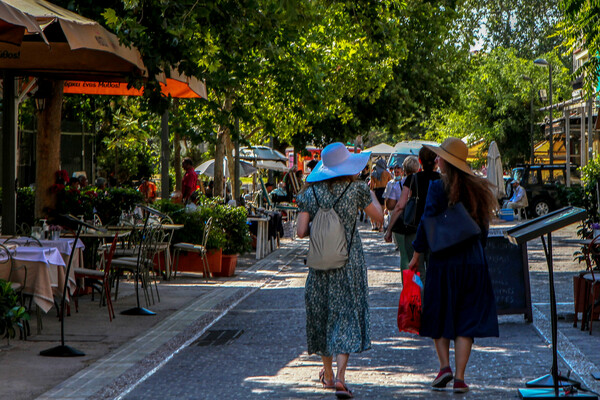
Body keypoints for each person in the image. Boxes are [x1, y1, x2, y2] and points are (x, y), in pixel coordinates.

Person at [406, 137, 499, 393]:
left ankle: (444, 366)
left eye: (439, 157)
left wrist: (417, 255)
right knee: (467, 318)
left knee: (438, 311)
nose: (436, 160)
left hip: (443, 261)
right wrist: (478, 251)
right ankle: (460, 377)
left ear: (446, 162)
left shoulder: (437, 188)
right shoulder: (478, 188)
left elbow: (426, 221)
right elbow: (484, 228)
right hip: (473, 261)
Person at [296, 142, 383, 399]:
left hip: (321, 262)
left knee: (323, 314)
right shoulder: (357, 190)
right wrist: (369, 193)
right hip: (350, 261)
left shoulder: (309, 194)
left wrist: (323, 229)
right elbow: (378, 217)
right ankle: (342, 376)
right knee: (346, 314)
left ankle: (327, 374)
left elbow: (301, 231)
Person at [369, 158, 391, 230]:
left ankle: (375, 224)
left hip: (377, 191)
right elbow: (390, 183)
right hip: (384, 190)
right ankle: (381, 226)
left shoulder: (374, 173)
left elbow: (371, 186)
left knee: (376, 208)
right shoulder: (387, 173)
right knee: (382, 209)